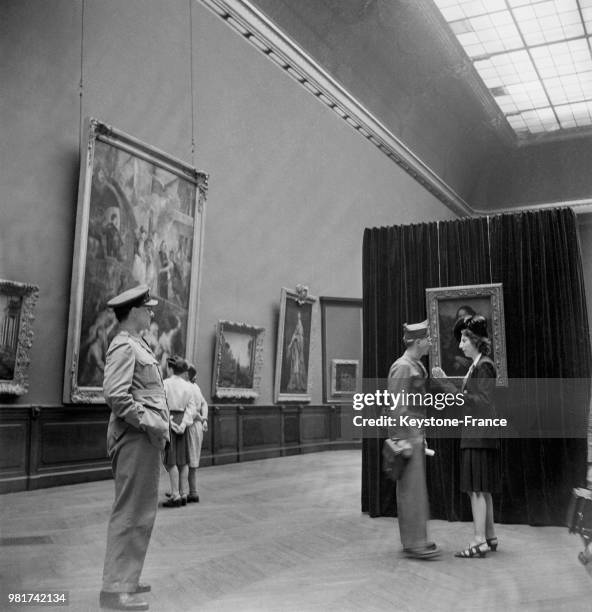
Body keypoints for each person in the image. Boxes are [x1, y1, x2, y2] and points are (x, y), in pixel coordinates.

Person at [100, 285, 169, 611]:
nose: (152, 313)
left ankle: (126, 579)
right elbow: (115, 394)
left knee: (141, 512)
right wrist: (149, 421)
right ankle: (115, 590)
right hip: (135, 437)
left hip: (143, 439)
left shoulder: (139, 344)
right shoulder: (124, 346)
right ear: (135, 312)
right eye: (148, 308)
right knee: (130, 512)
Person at [433, 314, 500, 558]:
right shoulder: (479, 365)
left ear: (474, 341)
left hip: (479, 434)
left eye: (463, 340)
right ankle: (490, 536)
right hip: (479, 433)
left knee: (476, 489)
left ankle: (478, 541)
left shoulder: (484, 366)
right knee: (482, 487)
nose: (460, 345)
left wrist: (446, 386)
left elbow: (482, 402)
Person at [387, 319, 440, 559]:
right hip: (408, 437)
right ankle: (414, 542)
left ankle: (417, 539)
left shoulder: (414, 365)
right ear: (418, 341)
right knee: (411, 492)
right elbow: (397, 407)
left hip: (416, 436)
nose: (430, 343)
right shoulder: (403, 367)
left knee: (416, 491)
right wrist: (404, 438)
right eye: (428, 339)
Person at [162, 355, 196, 508]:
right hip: (183, 420)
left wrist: (170, 422)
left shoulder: (165, 384)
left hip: (169, 419)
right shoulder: (189, 386)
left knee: (171, 461)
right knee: (183, 460)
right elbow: (192, 408)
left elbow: (161, 405)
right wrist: (183, 424)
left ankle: (175, 495)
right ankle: (183, 494)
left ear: (171, 369)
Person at [186, 362, 208, 502]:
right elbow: (204, 403)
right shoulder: (196, 386)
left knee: (188, 460)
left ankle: (192, 492)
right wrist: (204, 419)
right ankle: (182, 490)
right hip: (198, 425)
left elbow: (192, 411)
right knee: (192, 459)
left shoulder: (188, 387)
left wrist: (200, 418)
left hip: (191, 426)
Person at [287, 312, 306, 391]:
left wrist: (295, 340)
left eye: (299, 316)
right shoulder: (296, 331)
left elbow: (299, 337)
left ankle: (298, 384)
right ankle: (296, 384)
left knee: (297, 367)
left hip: (298, 352)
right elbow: (294, 336)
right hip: (295, 352)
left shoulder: (300, 333)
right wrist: (291, 344)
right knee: (295, 367)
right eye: (297, 316)